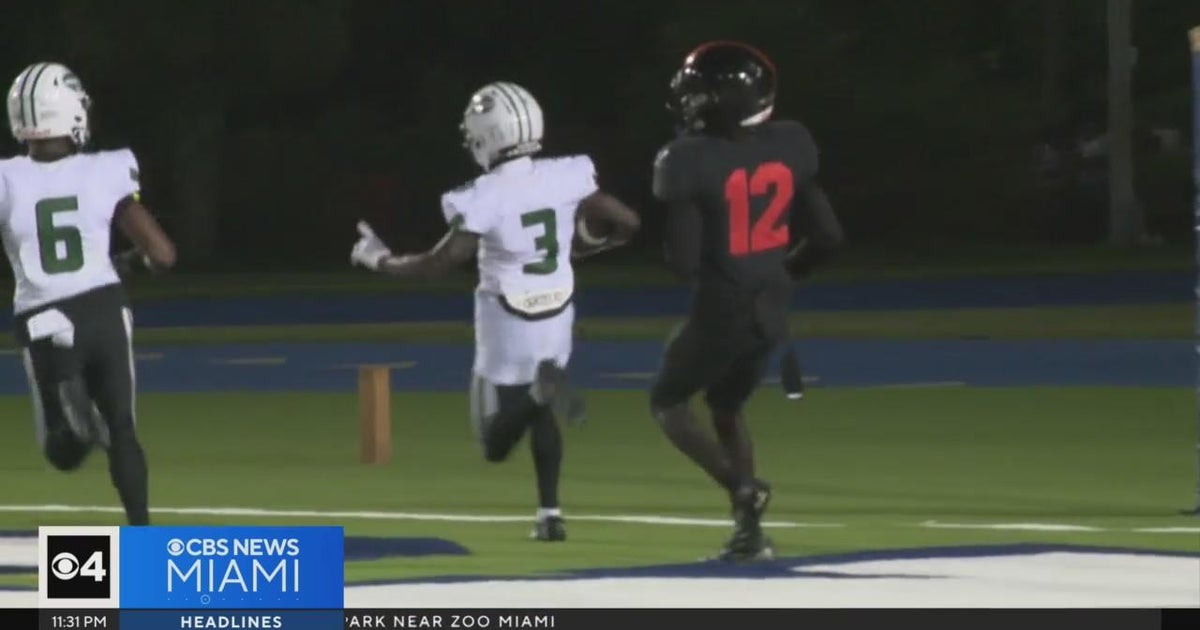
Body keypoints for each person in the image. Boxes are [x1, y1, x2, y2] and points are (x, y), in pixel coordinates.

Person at [350, 81, 640, 541]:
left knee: (494, 440)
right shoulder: (565, 174)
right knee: (541, 415)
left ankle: (539, 396)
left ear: (487, 135)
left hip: (509, 316)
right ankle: (550, 515)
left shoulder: (484, 194)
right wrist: (584, 248)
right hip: (557, 310)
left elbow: (438, 264)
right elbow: (628, 222)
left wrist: (378, 259)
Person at [649, 42, 844, 560]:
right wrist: (782, 275)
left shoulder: (686, 159)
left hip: (723, 302)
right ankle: (749, 535)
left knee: (669, 404)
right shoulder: (791, 143)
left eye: (699, 93)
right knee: (728, 406)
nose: (690, 102)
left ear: (722, 98)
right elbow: (827, 237)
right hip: (772, 302)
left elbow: (685, 262)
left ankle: (742, 489)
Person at [0, 62, 177, 526]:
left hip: (43, 314)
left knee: (62, 452)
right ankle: (143, 535)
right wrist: (129, 261)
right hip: (103, 306)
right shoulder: (108, 168)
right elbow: (163, 254)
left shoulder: (7, 178)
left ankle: (74, 419)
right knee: (123, 429)